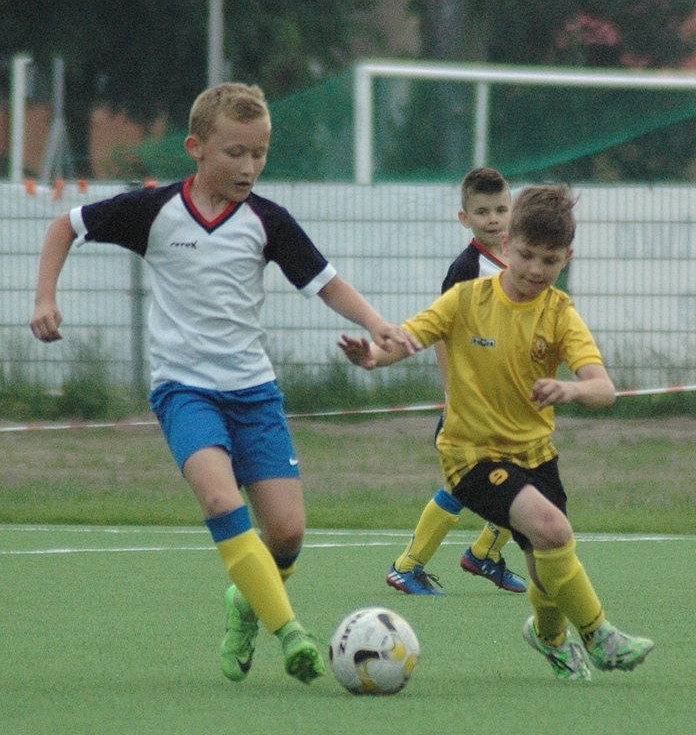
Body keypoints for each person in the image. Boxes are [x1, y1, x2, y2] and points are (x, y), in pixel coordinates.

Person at [29, 82, 416, 685]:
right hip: (184, 390)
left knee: (286, 531)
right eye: (235, 152)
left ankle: (245, 603)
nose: (249, 166)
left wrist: (376, 323)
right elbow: (64, 226)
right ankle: (290, 632)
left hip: (254, 393)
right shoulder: (153, 210)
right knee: (219, 499)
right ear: (196, 148)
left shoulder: (267, 221)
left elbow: (325, 280)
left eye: (259, 153)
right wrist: (45, 297)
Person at [339, 185, 654, 680]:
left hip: (535, 455)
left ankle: (548, 637)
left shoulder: (559, 313)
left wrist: (571, 391)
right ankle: (599, 636)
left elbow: (604, 390)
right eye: (526, 255)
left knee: (543, 562)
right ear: (506, 244)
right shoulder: (465, 299)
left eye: (549, 260)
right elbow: (411, 338)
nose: (535, 269)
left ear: (566, 258)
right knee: (553, 530)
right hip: (471, 457)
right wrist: (373, 358)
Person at [386, 167, 528, 596]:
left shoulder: (518, 262)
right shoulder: (467, 268)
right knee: (469, 483)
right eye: (482, 211)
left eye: (501, 209)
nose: (493, 219)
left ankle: (483, 554)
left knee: (524, 476)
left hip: (509, 400)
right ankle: (407, 567)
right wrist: (454, 394)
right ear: (464, 218)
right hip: (472, 401)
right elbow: (443, 333)